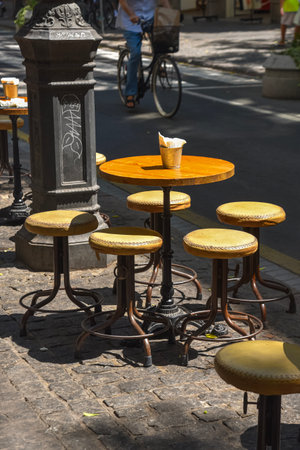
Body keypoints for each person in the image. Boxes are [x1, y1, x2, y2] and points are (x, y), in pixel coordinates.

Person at [116, 0, 171, 109]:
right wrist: (131, 14)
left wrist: (171, 15)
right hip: (131, 22)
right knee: (135, 53)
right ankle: (130, 93)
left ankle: (158, 64)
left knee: (161, 44)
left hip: (150, 19)